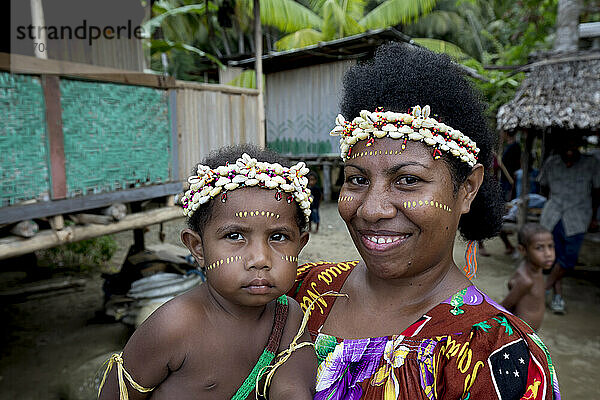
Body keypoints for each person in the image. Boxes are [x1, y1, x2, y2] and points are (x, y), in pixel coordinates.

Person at [290, 43, 560, 399]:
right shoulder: (297, 290)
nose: (371, 209)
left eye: (408, 180)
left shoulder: (502, 358)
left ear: (467, 189)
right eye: (357, 179)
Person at [98, 145, 317, 399]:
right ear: (198, 248)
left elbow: (293, 388)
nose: (260, 259)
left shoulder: (287, 317)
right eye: (235, 236)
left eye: (278, 237)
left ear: (300, 245)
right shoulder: (172, 326)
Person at [540, 136, 600, 314]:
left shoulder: (591, 164)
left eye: (573, 146)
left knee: (568, 261)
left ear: (579, 146)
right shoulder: (552, 162)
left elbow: (597, 192)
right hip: (553, 216)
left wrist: (594, 217)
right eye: (566, 146)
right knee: (555, 259)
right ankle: (557, 298)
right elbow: (543, 187)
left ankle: (542, 291)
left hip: (578, 217)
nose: (569, 150)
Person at [501, 223, 555, 330]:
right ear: (522, 250)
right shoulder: (525, 280)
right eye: (539, 248)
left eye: (550, 246)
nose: (548, 253)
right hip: (521, 335)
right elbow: (504, 307)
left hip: (531, 335)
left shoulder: (538, 269)